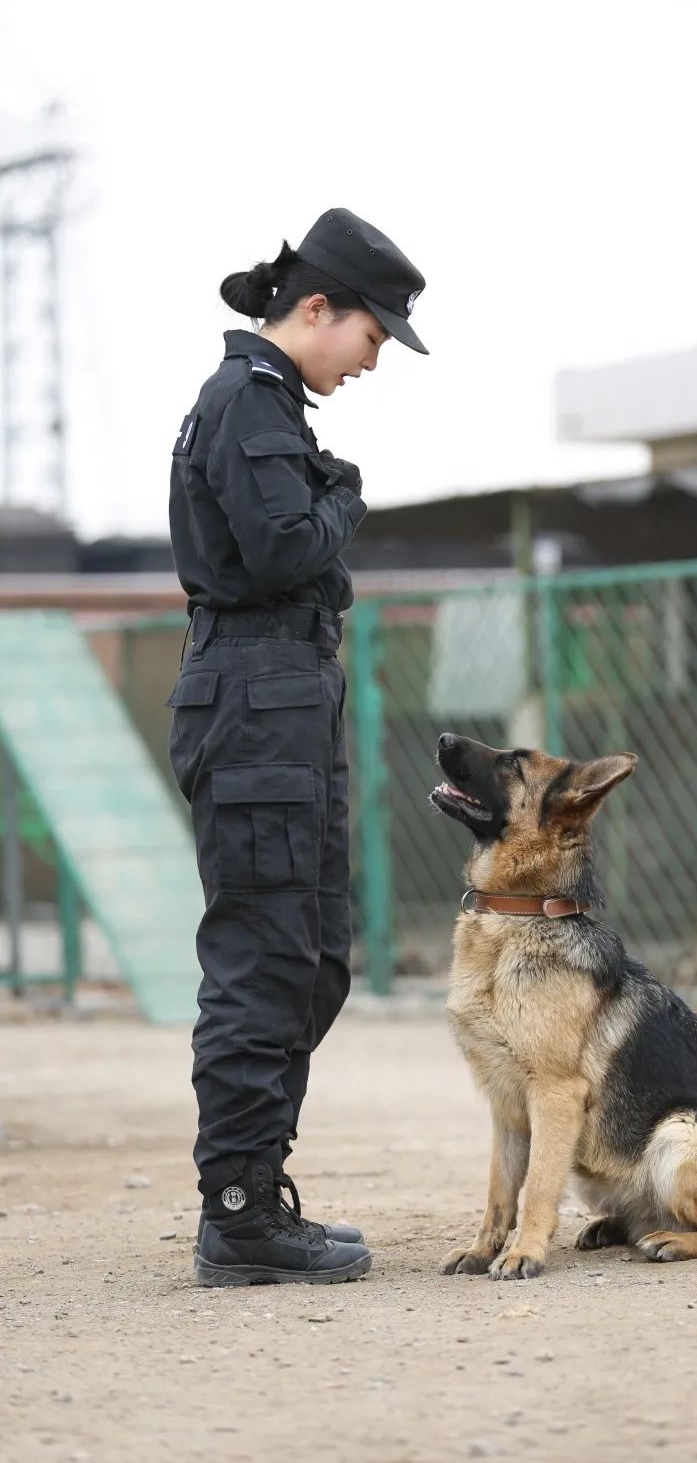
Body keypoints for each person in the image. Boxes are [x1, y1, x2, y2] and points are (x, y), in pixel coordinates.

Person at [167, 208, 427, 1286]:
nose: (372, 362)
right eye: (373, 336)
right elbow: (281, 549)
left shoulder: (264, 406)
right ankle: (237, 1212)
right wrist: (345, 495)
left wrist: (328, 495)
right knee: (264, 962)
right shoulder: (246, 404)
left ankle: (253, 1194)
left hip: (282, 695)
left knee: (313, 960)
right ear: (316, 308)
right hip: (257, 693)